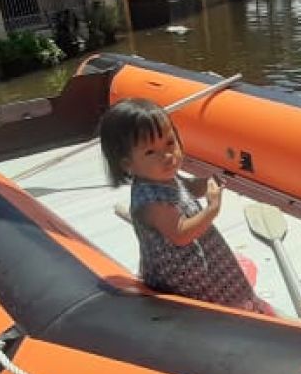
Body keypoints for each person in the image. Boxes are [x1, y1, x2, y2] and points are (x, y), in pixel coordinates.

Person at [99, 98, 271, 313]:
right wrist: (212, 209)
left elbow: (185, 186)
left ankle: (241, 308)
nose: (167, 156)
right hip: (185, 276)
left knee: (226, 286)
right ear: (127, 163)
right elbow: (181, 233)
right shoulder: (152, 201)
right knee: (213, 309)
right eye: (150, 152)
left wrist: (205, 183)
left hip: (202, 257)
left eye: (170, 143)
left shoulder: (160, 176)